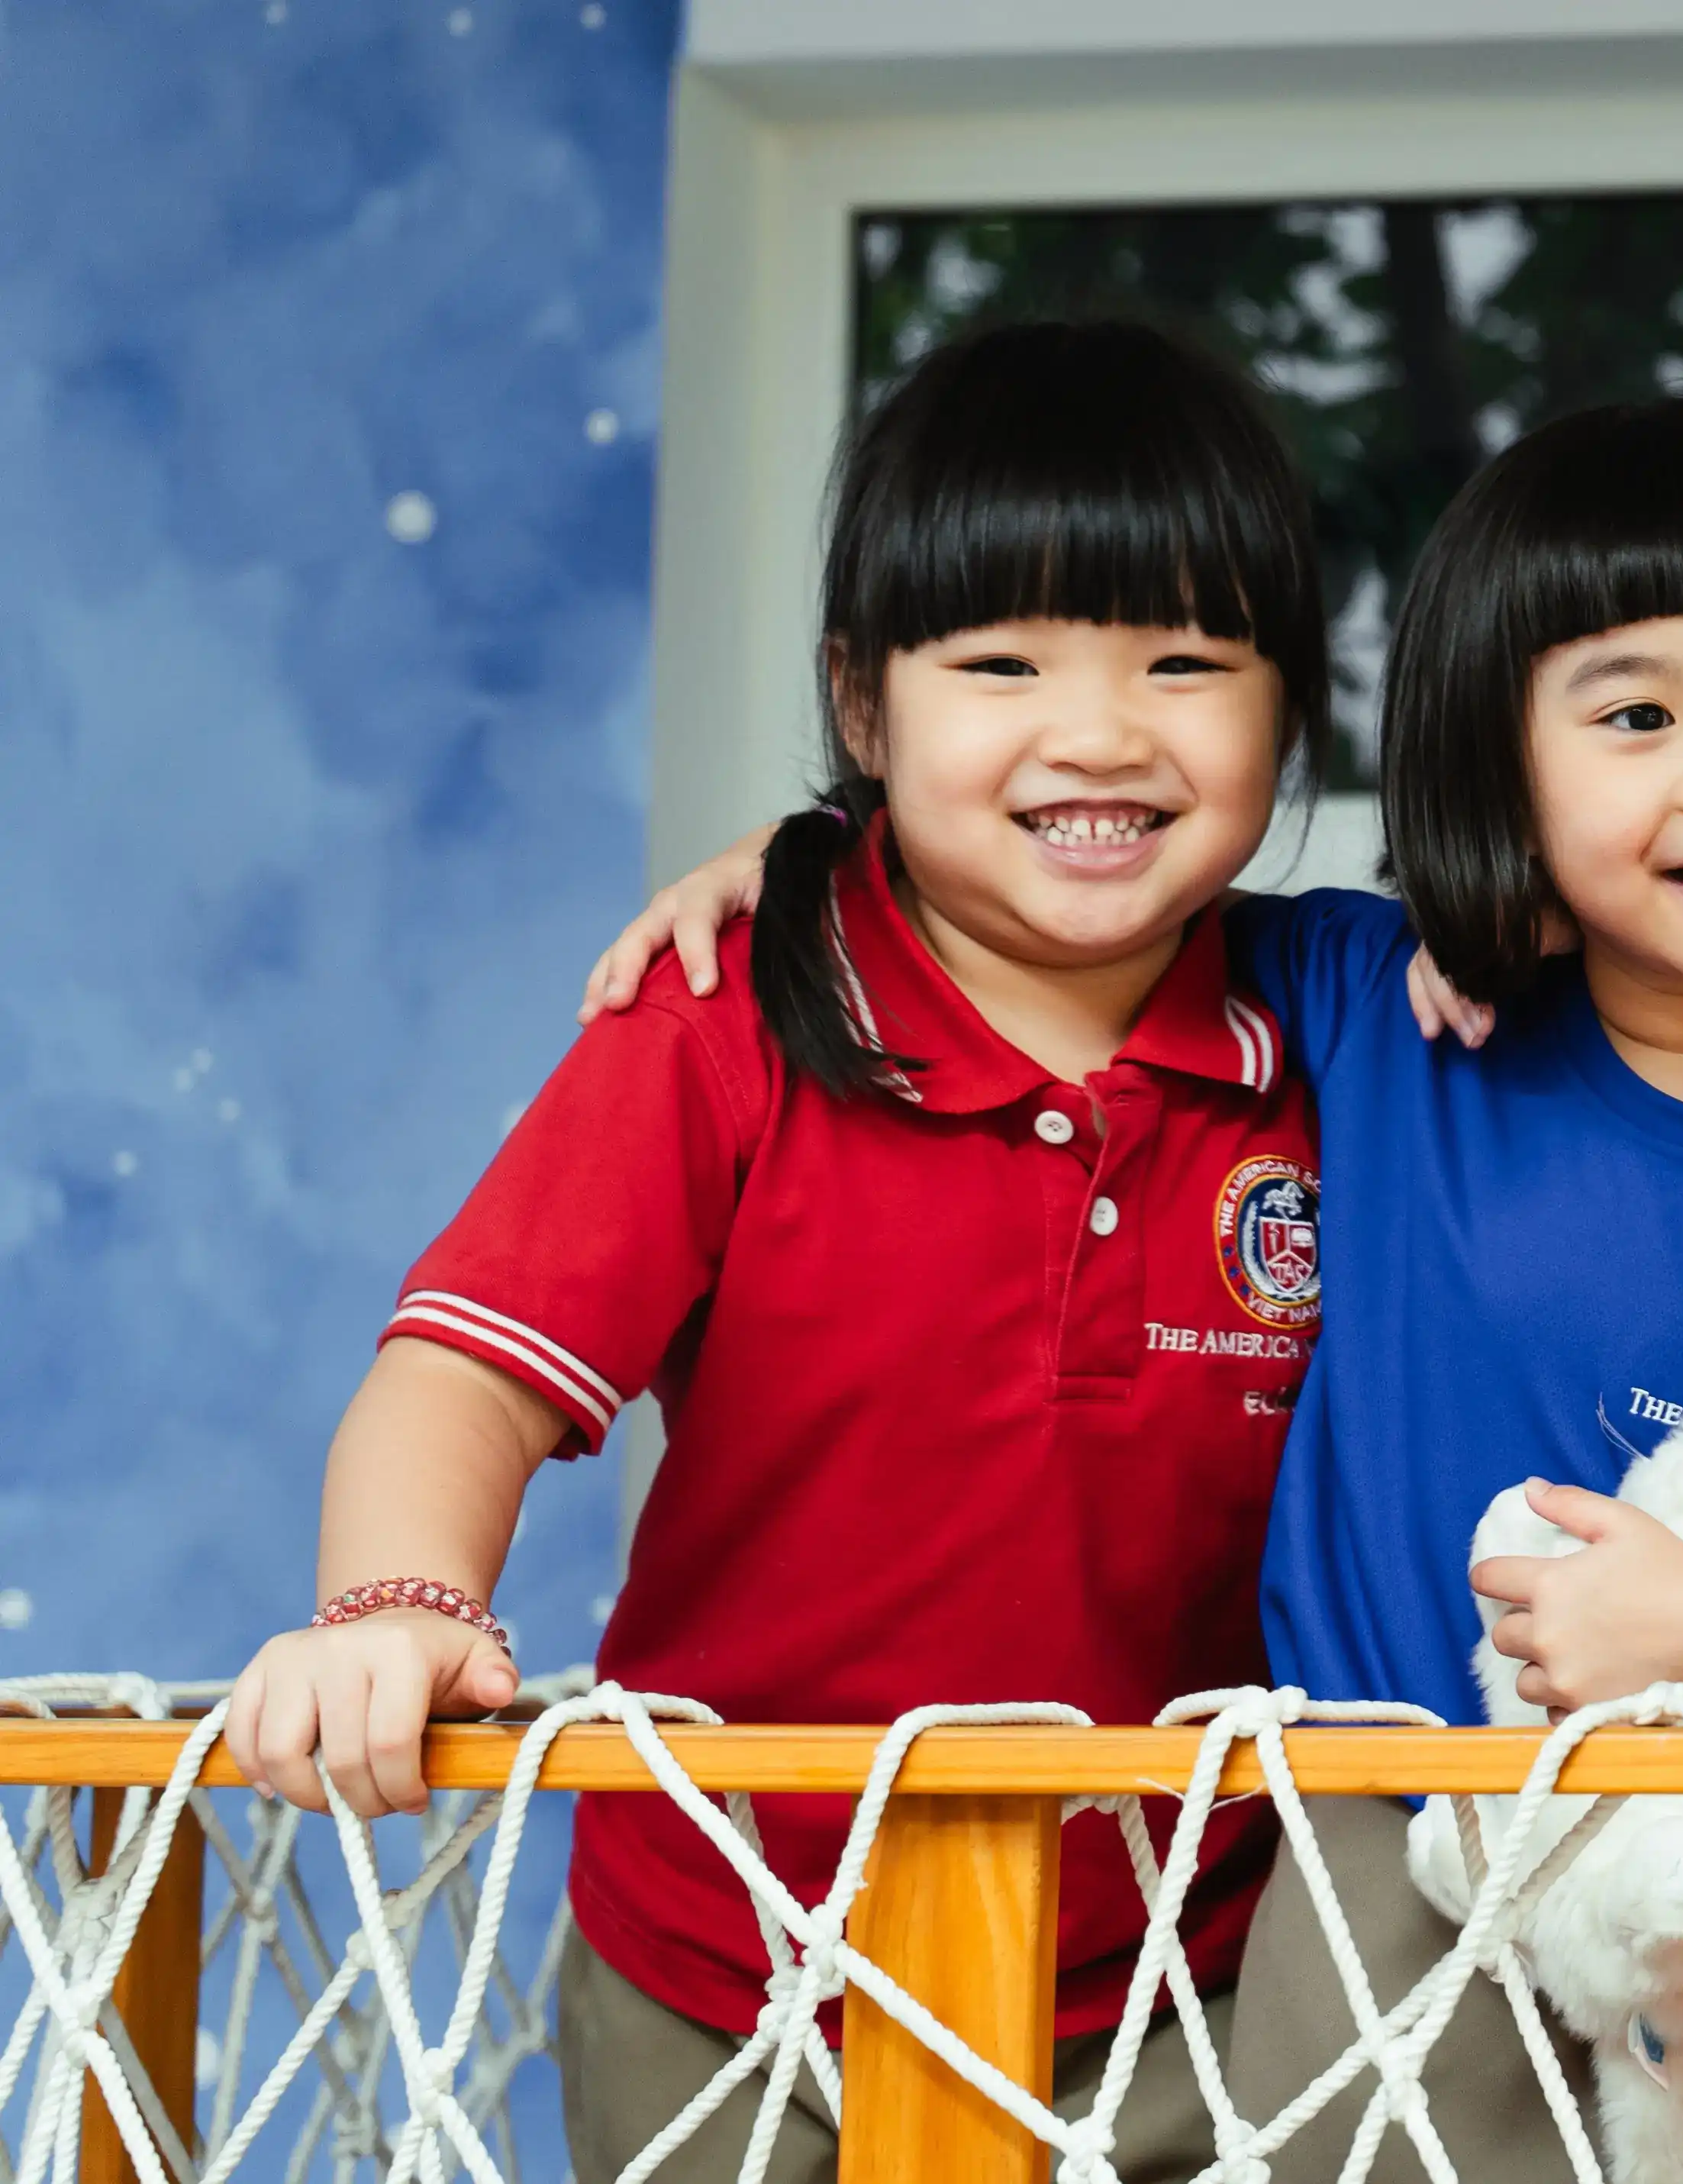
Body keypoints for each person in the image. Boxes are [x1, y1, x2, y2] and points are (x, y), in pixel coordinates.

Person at [585, 399, 1683, 2184]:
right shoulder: (1364, 1003)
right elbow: (1018, 889)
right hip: (1384, 1882)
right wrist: (803, 876)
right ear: (1494, 765)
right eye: (1637, 713)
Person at [237, 318, 1331, 2183]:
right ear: (860, 700)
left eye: (1184, 661)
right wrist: (396, 1599)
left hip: (1184, 1984)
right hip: (726, 1958)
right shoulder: (728, 1012)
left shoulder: (1352, 1039)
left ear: (1288, 708)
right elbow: (465, 1380)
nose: (1099, 732)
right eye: (999, 663)